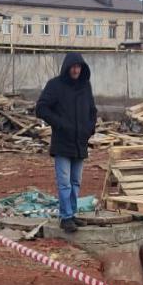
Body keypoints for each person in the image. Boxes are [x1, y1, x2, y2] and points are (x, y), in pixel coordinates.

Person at [35, 52, 98, 233]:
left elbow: (92, 110)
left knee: (76, 181)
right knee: (65, 183)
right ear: (67, 67)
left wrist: (89, 129)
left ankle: (72, 214)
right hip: (63, 142)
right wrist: (60, 124)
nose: (76, 70)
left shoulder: (85, 86)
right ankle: (65, 217)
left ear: (82, 68)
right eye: (73, 66)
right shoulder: (55, 85)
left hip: (80, 142)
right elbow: (41, 108)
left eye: (79, 66)